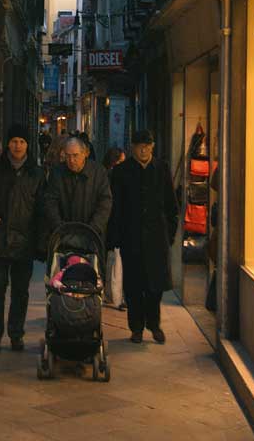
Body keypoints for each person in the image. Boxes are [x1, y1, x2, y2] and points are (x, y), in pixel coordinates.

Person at [0, 124, 44, 354]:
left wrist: (40, 242)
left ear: (27, 145)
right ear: (8, 143)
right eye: (14, 141)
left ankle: (16, 334)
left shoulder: (36, 174)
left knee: (20, 292)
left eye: (22, 141)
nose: (18, 145)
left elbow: (41, 209)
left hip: (24, 242)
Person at [109, 128, 178, 344]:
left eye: (148, 145)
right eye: (140, 146)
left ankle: (154, 324)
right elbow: (115, 207)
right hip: (132, 237)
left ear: (153, 146)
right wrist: (115, 238)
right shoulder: (122, 172)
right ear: (133, 147)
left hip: (157, 238)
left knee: (155, 285)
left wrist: (170, 233)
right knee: (133, 285)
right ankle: (136, 327)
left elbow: (171, 205)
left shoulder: (161, 168)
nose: (144, 149)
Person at [43, 135, 112, 240]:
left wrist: (93, 229)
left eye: (75, 155)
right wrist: (59, 227)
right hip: (63, 237)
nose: (71, 160)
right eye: (68, 155)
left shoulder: (98, 172)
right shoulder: (57, 173)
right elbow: (50, 202)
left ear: (84, 154)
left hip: (92, 237)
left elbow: (105, 203)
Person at [103, 146, 126, 310]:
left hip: (108, 226)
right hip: (112, 226)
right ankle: (115, 297)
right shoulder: (113, 177)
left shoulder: (105, 176)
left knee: (113, 261)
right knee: (115, 263)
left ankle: (112, 295)